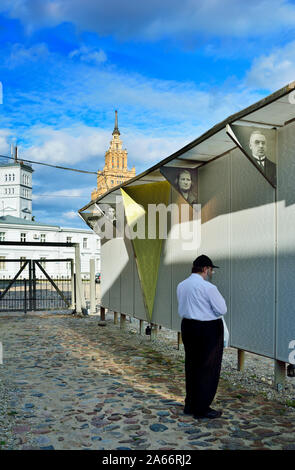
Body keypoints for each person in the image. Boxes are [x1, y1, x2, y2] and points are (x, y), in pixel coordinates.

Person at [177, 254, 227, 419]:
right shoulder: (208, 288)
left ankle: (190, 404)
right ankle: (202, 408)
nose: (211, 273)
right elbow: (221, 309)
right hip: (208, 329)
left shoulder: (181, 285)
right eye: (211, 270)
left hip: (188, 327)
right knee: (208, 368)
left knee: (191, 365)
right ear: (206, 269)